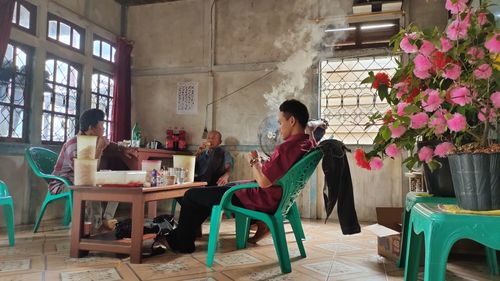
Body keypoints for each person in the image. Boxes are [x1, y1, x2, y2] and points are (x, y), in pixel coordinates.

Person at [165, 99, 314, 253]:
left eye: (280, 122)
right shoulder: (306, 144)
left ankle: (182, 242)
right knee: (212, 193)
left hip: (260, 197)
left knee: (190, 195)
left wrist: (254, 161)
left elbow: (263, 182)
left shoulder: (287, 147)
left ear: (291, 121)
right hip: (269, 196)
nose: (279, 128)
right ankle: (182, 236)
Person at [49, 108, 131, 233]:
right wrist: (99, 149)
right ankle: (94, 228)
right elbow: (85, 172)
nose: (104, 129)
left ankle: (105, 220)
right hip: (64, 183)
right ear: (91, 128)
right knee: (91, 186)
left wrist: (122, 148)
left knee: (118, 184)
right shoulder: (74, 144)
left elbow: (110, 144)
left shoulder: (93, 139)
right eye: (102, 125)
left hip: (82, 180)